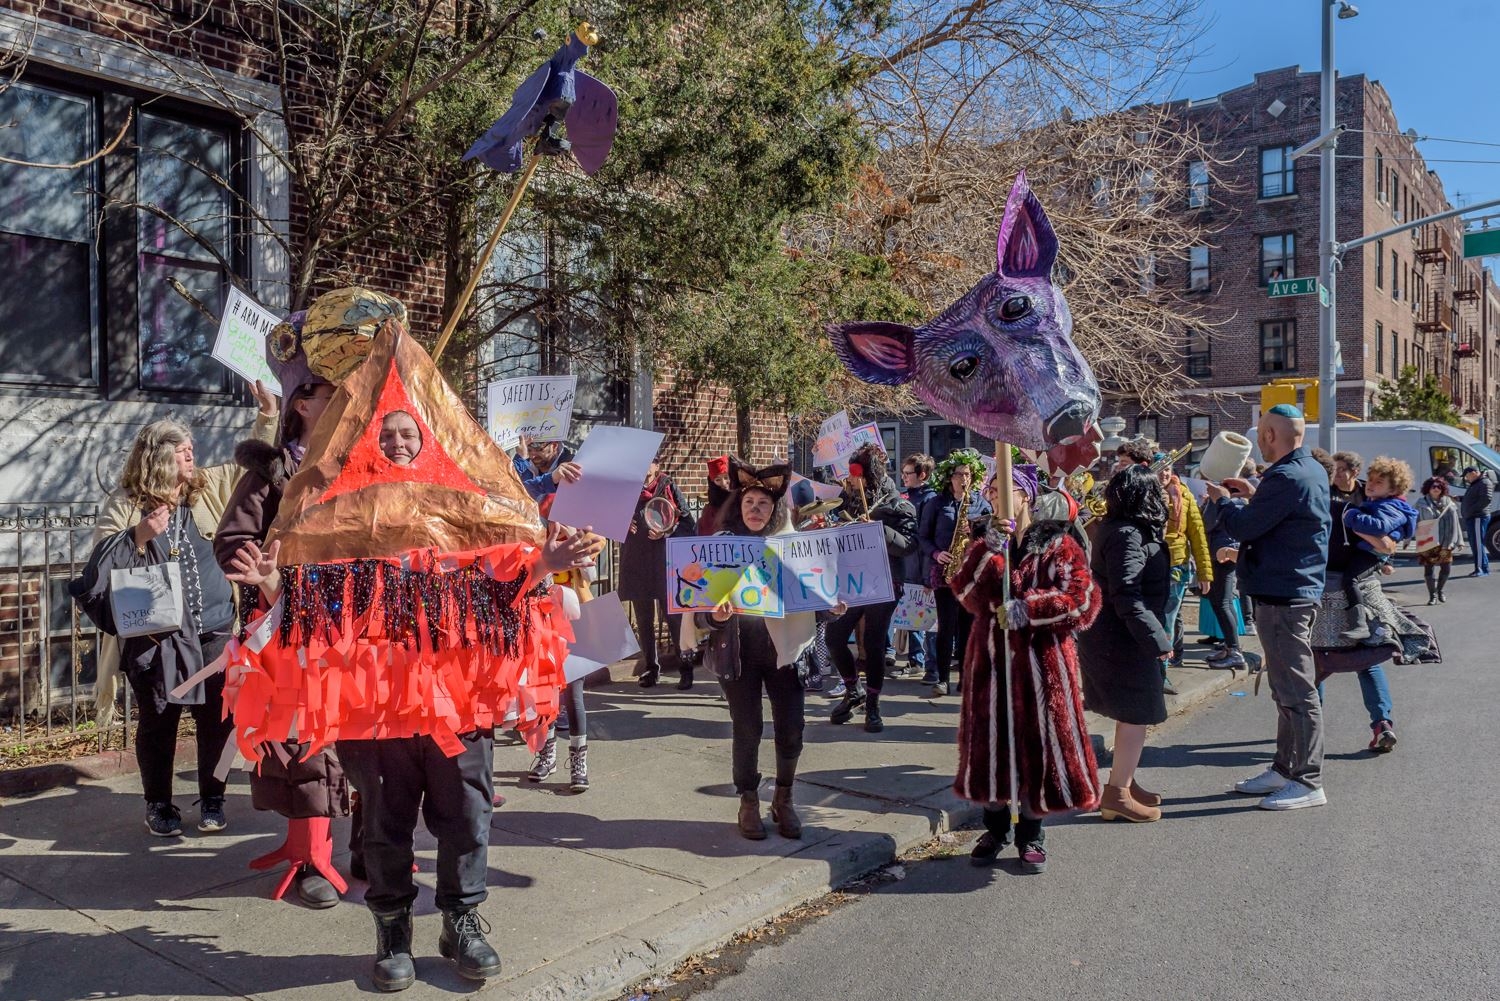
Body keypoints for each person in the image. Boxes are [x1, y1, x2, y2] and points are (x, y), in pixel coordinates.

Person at [71, 394, 276, 837]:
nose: (191, 456)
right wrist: (140, 534)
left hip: (216, 629)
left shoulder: (206, 488)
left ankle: (213, 799)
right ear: (157, 457)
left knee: (217, 719)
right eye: (182, 450)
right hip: (154, 638)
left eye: (190, 450)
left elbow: (251, 467)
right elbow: (100, 565)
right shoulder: (126, 504)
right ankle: (159, 804)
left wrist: (268, 415)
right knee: (159, 719)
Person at [216, 321, 349, 908]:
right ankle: (310, 854)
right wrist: (262, 569)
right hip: (288, 626)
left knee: (360, 737)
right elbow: (232, 538)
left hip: (350, 624)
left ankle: (371, 843)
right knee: (302, 742)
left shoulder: (359, 465)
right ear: (301, 404)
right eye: (330, 393)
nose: (344, 402)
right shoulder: (272, 470)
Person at [957, 463, 1101, 872]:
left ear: (1026, 496)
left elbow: (1083, 599)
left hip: (1043, 665)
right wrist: (986, 552)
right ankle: (996, 827)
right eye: (992, 491)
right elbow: (965, 595)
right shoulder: (984, 543)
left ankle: (1032, 833)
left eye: (1005, 490)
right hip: (990, 661)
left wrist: (1030, 609)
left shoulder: (1057, 543)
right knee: (992, 745)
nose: (996, 497)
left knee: (1037, 745)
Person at [1205, 404, 1331, 811]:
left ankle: (1308, 780)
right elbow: (1284, 518)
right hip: (1288, 591)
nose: (1258, 439)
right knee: (1285, 690)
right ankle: (1284, 769)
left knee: (1296, 692)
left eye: (1261, 432)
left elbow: (1244, 527)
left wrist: (1225, 501)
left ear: (1270, 435)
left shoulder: (1288, 475)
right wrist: (1254, 495)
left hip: (1284, 597)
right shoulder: (1307, 469)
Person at [697, 464, 821, 840]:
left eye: (763, 504)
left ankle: (784, 799)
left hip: (784, 652)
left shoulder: (794, 546)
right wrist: (714, 615)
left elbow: (817, 595)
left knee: (791, 729)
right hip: (740, 653)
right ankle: (748, 799)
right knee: (747, 729)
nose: (755, 509)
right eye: (749, 502)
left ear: (774, 510)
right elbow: (698, 608)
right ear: (739, 507)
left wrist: (833, 605)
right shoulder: (720, 545)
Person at [1077, 464, 1172, 823]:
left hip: (1121, 633)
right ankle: (1117, 794)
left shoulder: (1125, 529)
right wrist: (1156, 639)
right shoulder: (1127, 534)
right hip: (1122, 637)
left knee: (1132, 713)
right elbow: (1127, 594)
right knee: (1136, 713)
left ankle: (1124, 781)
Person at [825, 444, 917, 733]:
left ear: (871, 477)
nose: (851, 482)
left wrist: (878, 530)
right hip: (851, 582)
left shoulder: (898, 504)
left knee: (875, 643)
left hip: (884, 582)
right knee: (834, 636)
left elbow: (909, 546)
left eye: (857, 476)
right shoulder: (847, 499)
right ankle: (854, 691)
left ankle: (874, 704)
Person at [917, 448, 991, 697]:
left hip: (971, 572)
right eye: (959, 474)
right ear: (950, 477)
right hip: (945, 570)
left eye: (968, 474)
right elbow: (923, 537)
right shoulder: (936, 503)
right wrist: (937, 554)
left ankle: (965, 679)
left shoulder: (981, 503)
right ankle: (942, 679)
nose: (963, 479)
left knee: (968, 628)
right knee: (946, 626)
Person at [619, 459, 695, 688]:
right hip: (637, 559)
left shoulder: (668, 486)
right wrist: (621, 524)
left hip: (664, 560)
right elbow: (609, 520)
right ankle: (651, 668)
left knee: (673, 617)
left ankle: (685, 668)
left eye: (647, 463)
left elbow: (688, 523)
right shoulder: (626, 490)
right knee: (643, 619)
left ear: (656, 465)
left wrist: (667, 532)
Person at [1337, 457, 1418, 644]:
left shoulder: (1391, 507)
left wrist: (1352, 516)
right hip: (1369, 550)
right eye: (1371, 479)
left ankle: (1360, 624)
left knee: (1351, 579)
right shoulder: (1378, 502)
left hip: (1371, 553)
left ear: (1393, 489)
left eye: (1378, 482)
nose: (1370, 484)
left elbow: (1380, 527)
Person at [1158, 456, 1211, 690]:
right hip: (1149, 566)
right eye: (1159, 469)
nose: (1164, 474)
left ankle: (1161, 673)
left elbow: (1198, 536)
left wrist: (1204, 572)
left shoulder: (1184, 495)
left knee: (1167, 621)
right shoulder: (1143, 493)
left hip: (1176, 567)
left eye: (1167, 469)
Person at [898, 453, 938, 683]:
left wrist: (928, 571)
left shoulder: (929, 499)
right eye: (903, 473)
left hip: (923, 563)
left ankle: (931, 665)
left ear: (922, 474)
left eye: (908, 473)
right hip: (909, 563)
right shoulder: (908, 496)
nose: (903, 477)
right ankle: (916, 660)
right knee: (912, 614)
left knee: (928, 616)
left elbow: (925, 535)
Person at [1417, 476, 1462, 604]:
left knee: (1446, 568)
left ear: (1443, 489)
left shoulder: (1449, 503)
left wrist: (1459, 541)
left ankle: (1440, 590)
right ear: (1428, 489)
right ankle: (1432, 596)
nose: (1436, 489)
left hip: (1446, 540)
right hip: (1428, 540)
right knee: (1429, 569)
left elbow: (1456, 523)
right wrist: (1408, 538)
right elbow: (1415, 520)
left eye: (1439, 487)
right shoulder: (1421, 503)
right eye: (1433, 487)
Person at [512, 437, 582, 502]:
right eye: (529, 450)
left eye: (539, 449)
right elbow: (512, 490)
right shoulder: (523, 462)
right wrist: (520, 459)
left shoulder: (572, 468)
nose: (533, 456)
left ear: (554, 446)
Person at [1460, 466, 1492, 576]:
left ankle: (1480, 569)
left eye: (1467, 476)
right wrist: (1459, 499)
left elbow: (1486, 499)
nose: (1466, 478)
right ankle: (1483, 568)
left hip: (1478, 517)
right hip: (1473, 517)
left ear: (1473, 473)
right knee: (1475, 544)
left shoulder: (1484, 482)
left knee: (1478, 545)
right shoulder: (1477, 483)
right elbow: (1473, 498)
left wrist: (1470, 510)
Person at [695, 456, 734, 536]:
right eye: (718, 480)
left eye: (726, 477)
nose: (723, 483)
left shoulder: (740, 499)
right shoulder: (709, 511)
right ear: (712, 482)